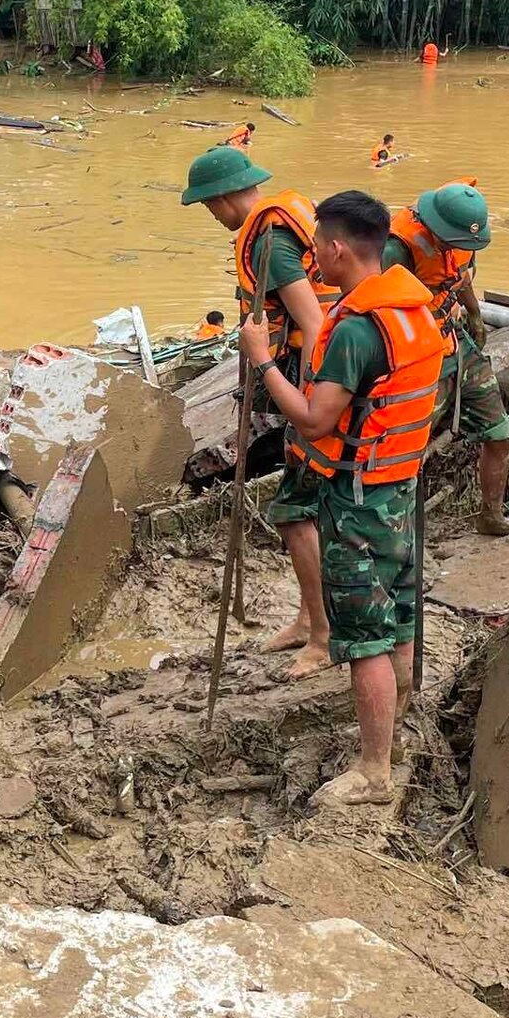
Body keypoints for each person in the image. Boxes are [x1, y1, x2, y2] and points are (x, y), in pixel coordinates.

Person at [240, 191, 446, 806]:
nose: (312, 265)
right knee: (401, 622)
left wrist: (263, 362)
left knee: (364, 638)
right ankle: (397, 739)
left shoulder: (357, 329)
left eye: (316, 252)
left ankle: (374, 769)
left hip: (358, 500)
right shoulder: (413, 310)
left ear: (335, 248)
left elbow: (312, 419)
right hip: (400, 488)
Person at [181, 146, 339, 679]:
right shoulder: (276, 226)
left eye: (209, 206)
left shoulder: (272, 243)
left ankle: (322, 636)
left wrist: (309, 401)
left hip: (305, 381)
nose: (213, 217)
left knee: (297, 513)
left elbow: (315, 324)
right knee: (302, 510)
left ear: (225, 197)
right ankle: (305, 617)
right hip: (292, 375)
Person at [384, 180, 509, 535]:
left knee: (500, 432)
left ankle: (491, 515)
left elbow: (458, 276)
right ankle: (397, 533)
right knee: (408, 447)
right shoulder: (397, 248)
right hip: (417, 356)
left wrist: (474, 313)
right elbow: (379, 309)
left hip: (455, 343)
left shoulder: (460, 244)